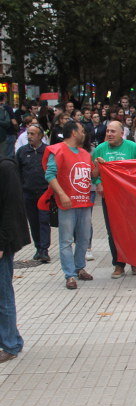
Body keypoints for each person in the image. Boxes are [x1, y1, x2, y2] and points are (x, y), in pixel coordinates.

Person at [40, 120, 96, 290]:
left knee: (84, 238)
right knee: (66, 240)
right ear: (74, 133)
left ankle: (80, 267)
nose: (84, 133)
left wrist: (100, 166)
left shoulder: (85, 154)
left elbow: (92, 175)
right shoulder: (57, 151)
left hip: (84, 202)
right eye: (82, 130)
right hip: (67, 203)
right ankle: (69, 275)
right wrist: (62, 194)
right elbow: (50, 175)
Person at [92, 121, 136, 279]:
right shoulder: (100, 149)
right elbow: (93, 173)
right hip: (110, 198)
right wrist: (98, 183)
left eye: (113, 131)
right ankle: (118, 264)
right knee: (112, 231)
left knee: (132, 230)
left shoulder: (132, 147)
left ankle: (135, 261)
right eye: (107, 131)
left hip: (129, 198)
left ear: (122, 133)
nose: (109, 134)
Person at [0, 157, 30, 363]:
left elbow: (11, 208)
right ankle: (13, 340)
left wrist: (1, 243)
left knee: (2, 295)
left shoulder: (5, 168)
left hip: (3, 241)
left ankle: (10, 344)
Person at [15, 124, 51, 262]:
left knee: (43, 220)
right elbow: (17, 172)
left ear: (40, 136)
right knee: (33, 222)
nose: (29, 136)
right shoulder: (22, 152)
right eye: (28, 134)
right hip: (28, 192)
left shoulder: (47, 151)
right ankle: (38, 248)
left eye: (32, 134)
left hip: (44, 192)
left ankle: (44, 250)